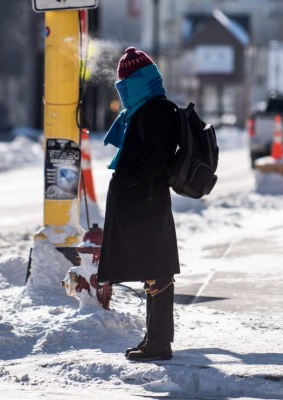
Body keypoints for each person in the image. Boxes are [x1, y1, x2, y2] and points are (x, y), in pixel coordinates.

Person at [97, 47, 180, 362]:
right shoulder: (147, 108)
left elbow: (155, 159)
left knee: (157, 271)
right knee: (152, 270)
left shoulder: (156, 110)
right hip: (143, 202)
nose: (122, 90)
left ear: (136, 82)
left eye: (124, 83)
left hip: (146, 202)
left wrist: (128, 178)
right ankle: (154, 338)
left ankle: (159, 343)